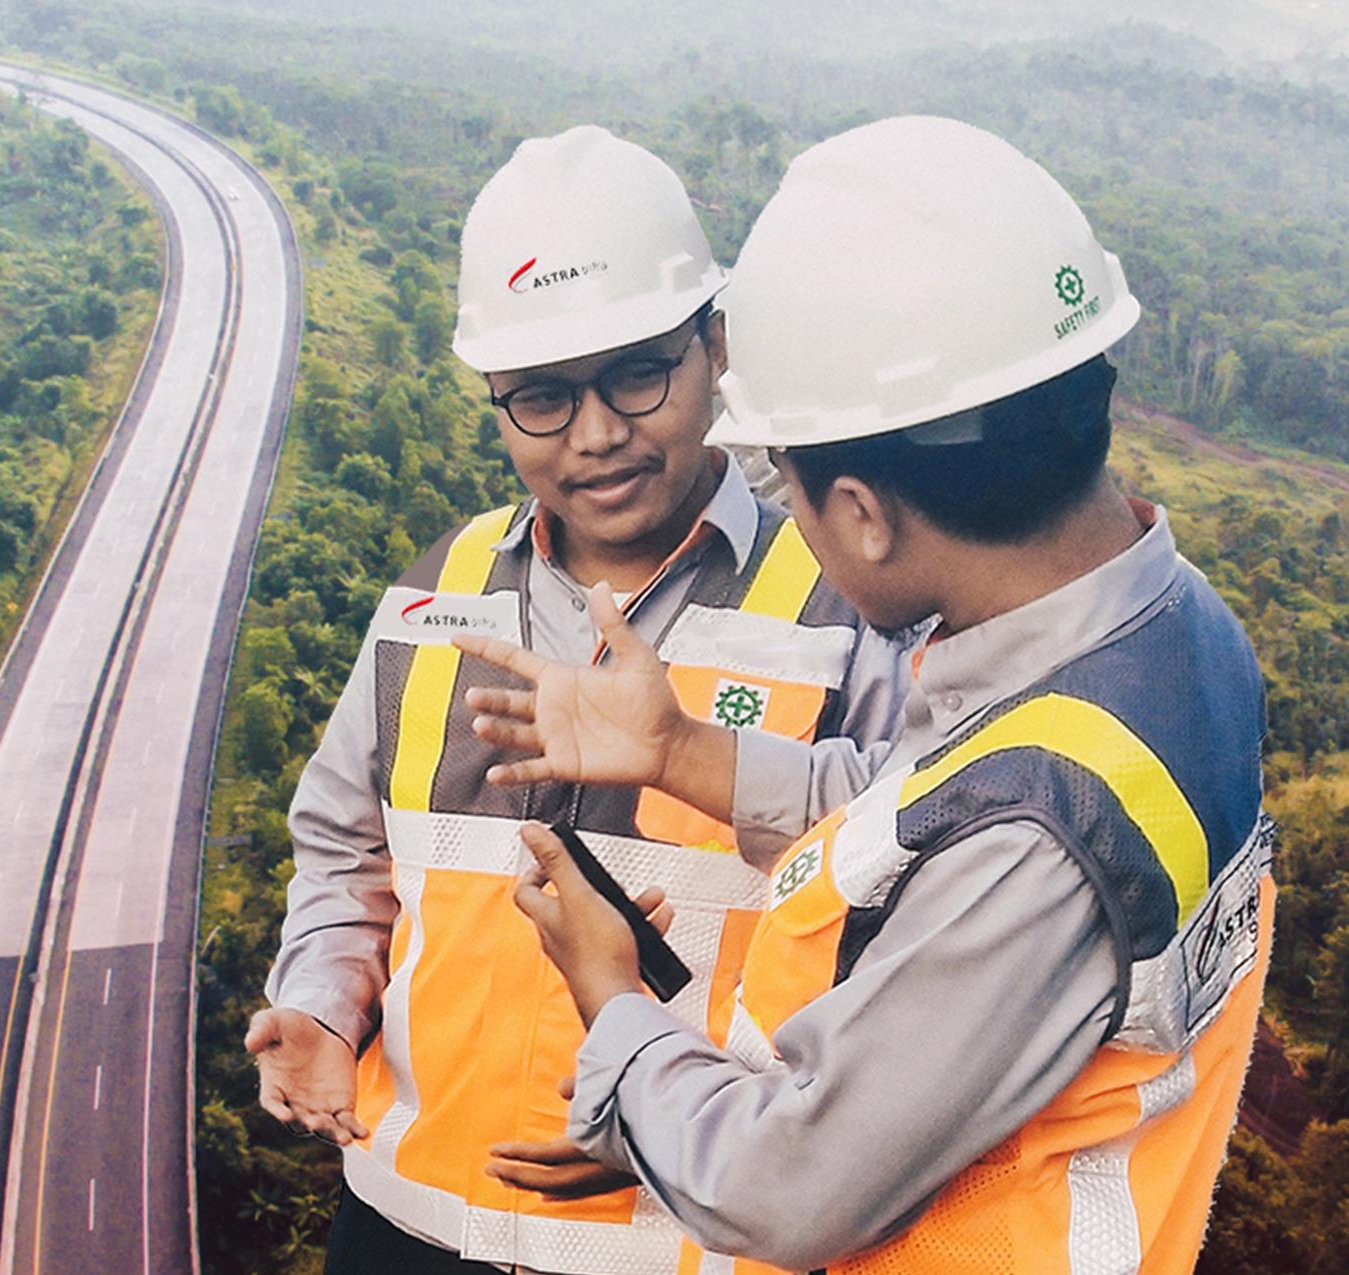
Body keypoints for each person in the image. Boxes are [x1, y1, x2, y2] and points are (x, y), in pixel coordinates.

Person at [457, 116, 1272, 1274]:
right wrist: (685, 748)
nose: (786, 516)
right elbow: (931, 800)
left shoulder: (1041, 838)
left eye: (786, 484)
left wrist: (615, 999)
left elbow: (778, 1189)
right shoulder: (1168, 626)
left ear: (866, 513)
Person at [247, 124, 911, 1274]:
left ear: (715, 348)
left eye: (637, 375)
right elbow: (349, 854)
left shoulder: (848, 605)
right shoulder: (434, 598)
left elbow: (910, 926)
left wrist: (669, 1108)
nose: (597, 435)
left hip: (680, 1237)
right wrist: (318, 1006)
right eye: (543, 399)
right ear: (497, 402)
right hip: (405, 1222)